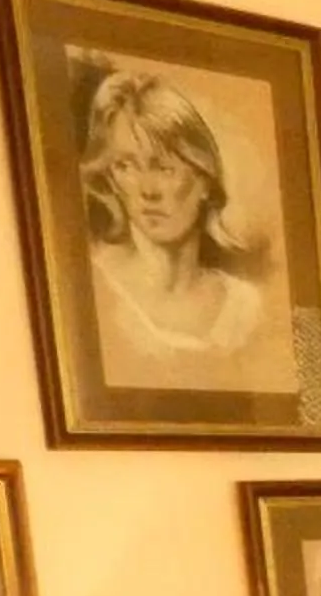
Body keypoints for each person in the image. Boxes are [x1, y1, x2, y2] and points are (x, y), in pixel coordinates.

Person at [78, 68, 290, 394]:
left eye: (165, 168)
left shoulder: (246, 308)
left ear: (204, 179)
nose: (148, 190)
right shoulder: (99, 289)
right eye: (126, 166)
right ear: (109, 178)